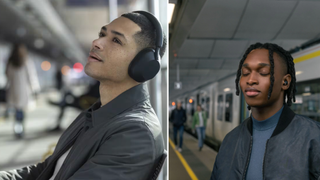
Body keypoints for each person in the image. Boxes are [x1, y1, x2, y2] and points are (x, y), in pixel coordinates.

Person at [0, 10, 167, 180]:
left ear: (144, 65)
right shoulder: (95, 114)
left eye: (116, 40)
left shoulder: (135, 134)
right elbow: (48, 170)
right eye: (101, 34)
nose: (97, 42)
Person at [210, 43, 320, 180]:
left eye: (263, 73)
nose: (251, 80)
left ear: (285, 82)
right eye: (245, 73)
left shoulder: (314, 138)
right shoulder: (230, 140)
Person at [5, 43, 34, 138]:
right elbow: (31, 75)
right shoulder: (26, 60)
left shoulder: (10, 62)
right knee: (21, 110)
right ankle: (21, 129)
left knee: (17, 110)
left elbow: (8, 75)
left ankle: (17, 129)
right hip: (23, 89)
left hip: (13, 89)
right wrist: (34, 88)